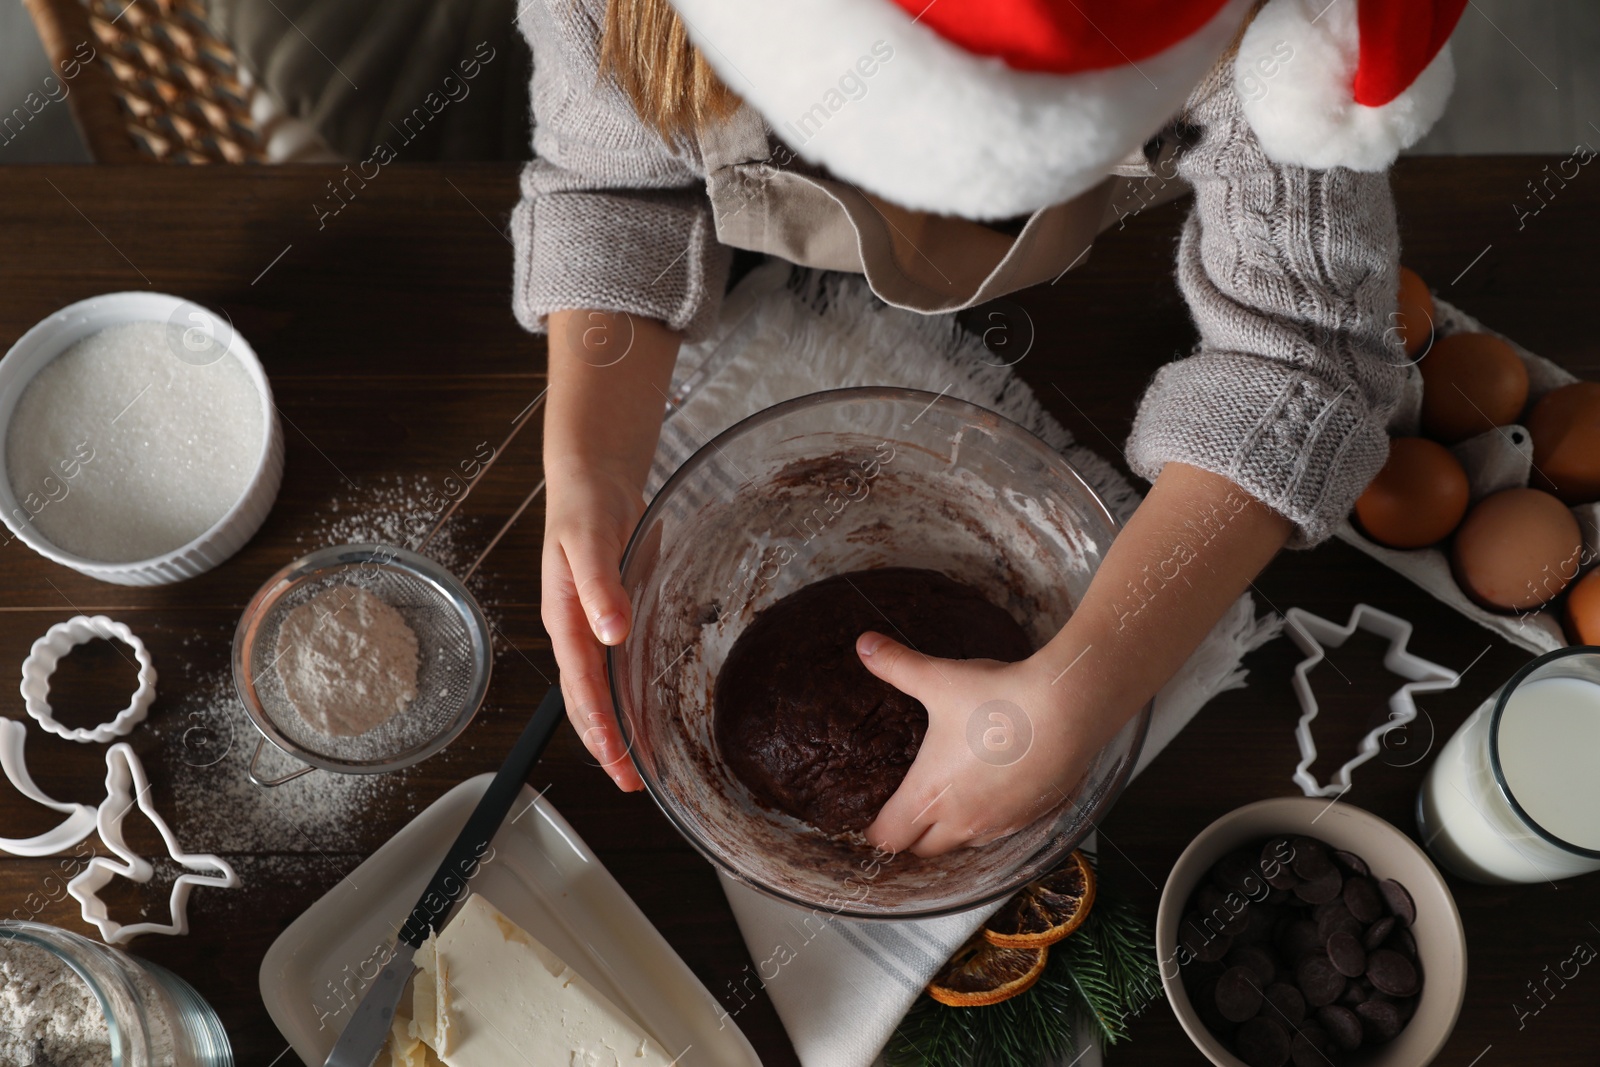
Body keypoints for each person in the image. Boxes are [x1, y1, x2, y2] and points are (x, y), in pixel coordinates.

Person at [517, 0, 1466, 857]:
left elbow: (1305, 355)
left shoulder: (1271, 32)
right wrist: (591, 460)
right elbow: (619, 194)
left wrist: (1080, 690)